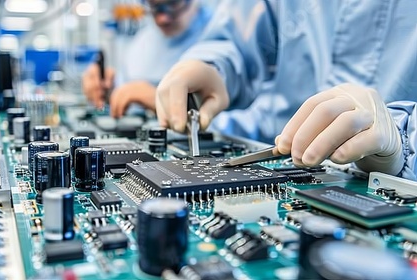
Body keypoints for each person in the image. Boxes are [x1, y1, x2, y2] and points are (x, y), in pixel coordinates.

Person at [155, 0, 417, 180]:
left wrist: (402, 144)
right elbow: (240, 34)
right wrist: (212, 65)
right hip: (279, 167)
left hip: (393, 184)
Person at [82, 0, 212, 118]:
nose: (162, 19)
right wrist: (108, 90)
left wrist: (159, 100)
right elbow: (127, 91)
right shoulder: (143, 40)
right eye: (154, 6)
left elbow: (221, 119)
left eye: (173, 4)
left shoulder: (218, 35)